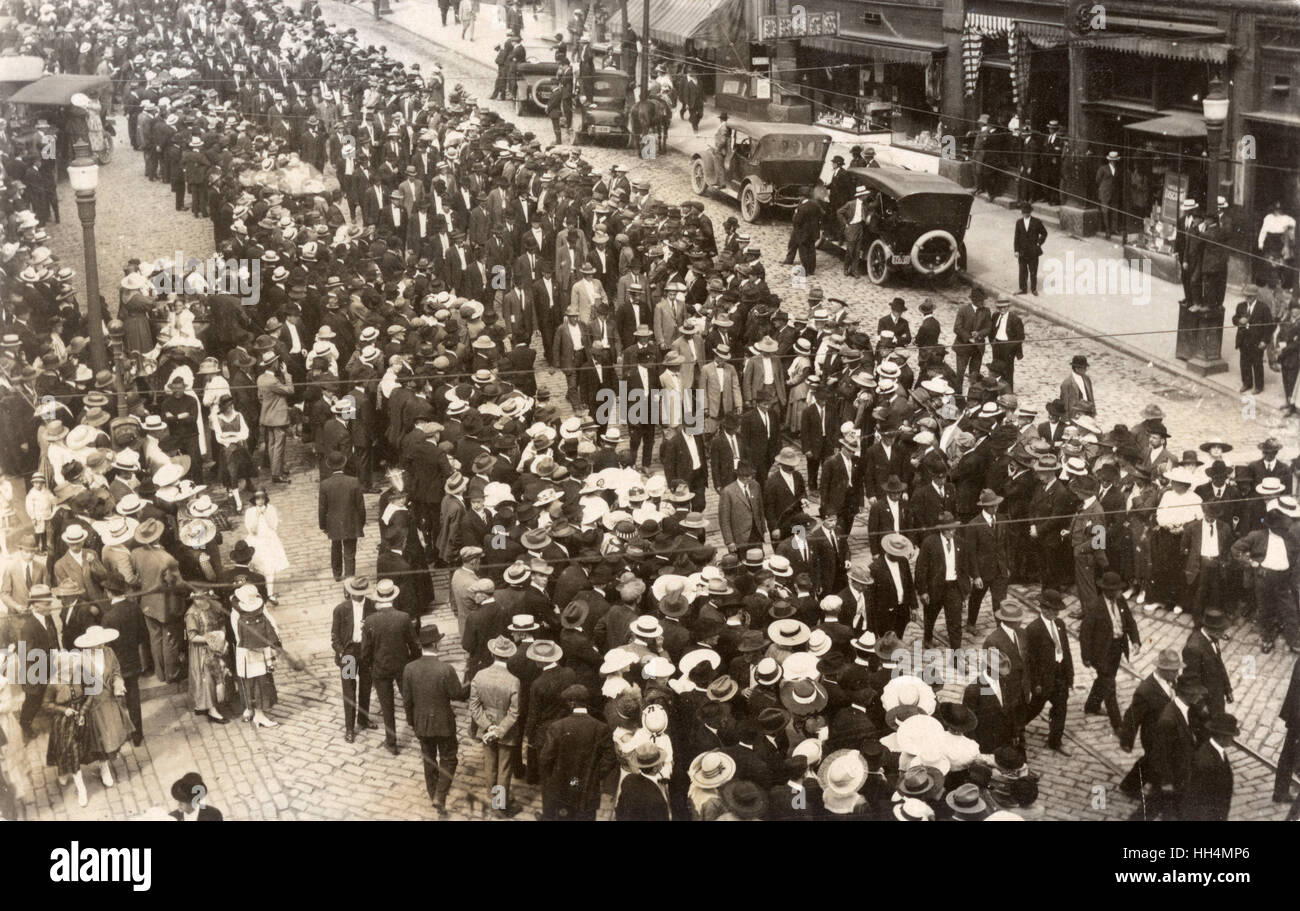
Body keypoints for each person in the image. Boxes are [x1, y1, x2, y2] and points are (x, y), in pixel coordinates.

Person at [402, 619, 468, 815]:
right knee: (449, 758)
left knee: (429, 760)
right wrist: (469, 685)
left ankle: (434, 797)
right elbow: (457, 694)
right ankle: (440, 795)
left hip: (421, 723)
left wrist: (411, 721)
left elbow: (407, 700)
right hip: (444, 723)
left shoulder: (409, 669)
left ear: (421, 645)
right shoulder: (445, 669)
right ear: (437, 644)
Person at [538, 684, 615, 820]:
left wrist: (555, 776)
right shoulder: (601, 728)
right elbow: (610, 758)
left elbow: (545, 758)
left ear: (571, 703)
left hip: (562, 789)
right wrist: (595, 775)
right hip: (588, 789)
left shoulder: (557, 727)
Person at [361, 579, 419, 755]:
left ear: (378, 598)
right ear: (393, 598)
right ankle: (415, 726)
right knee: (409, 698)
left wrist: (371, 665)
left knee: (387, 706)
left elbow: (365, 651)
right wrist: (412, 661)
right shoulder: (403, 617)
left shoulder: (370, 621)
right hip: (402, 666)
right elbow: (414, 644)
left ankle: (392, 742)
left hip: (380, 668)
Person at [1080, 572, 1140, 735]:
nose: (1119, 592)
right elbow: (1085, 634)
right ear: (1106, 591)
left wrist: (1135, 641)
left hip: (1117, 648)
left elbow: (1130, 622)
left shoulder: (1120, 601)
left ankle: (1091, 705)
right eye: (1115, 590)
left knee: (1105, 679)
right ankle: (1118, 724)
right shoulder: (1094, 606)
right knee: (1109, 686)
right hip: (1101, 652)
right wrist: (1085, 656)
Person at [469, 635, 521, 817]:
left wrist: (488, 727)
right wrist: (499, 730)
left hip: (486, 730)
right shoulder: (513, 680)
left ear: (492, 654)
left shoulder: (479, 676)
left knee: (489, 765)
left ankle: (494, 801)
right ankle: (499, 805)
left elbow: (474, 706)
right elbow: (514, 712)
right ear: (509, 656)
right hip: (506, 731)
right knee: (504, 769)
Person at [231, 585, 282, 729]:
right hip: (258, 653)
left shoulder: (235, 612)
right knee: (260, 682)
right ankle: (259, 715)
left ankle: (250, 710)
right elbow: (272, 624)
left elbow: (237, 635)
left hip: (246, 653)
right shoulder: (259, 609)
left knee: (249, 682)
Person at [319, 451, 366, 582]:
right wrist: (361, 522)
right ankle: (349, 581)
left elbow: (322, 508)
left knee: (335, 546)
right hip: (351, 521)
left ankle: (337, 573)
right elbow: (360, 506)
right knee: (350, 553)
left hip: (333, 522)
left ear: (329, 466)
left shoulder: (325, 484)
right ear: (343, 465)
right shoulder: (353, 482)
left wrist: (323, 525)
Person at [184, 594, 230, 725]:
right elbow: (192, 637)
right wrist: (212, 638)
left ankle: (206, 704)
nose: (199, 600)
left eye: (202, 596)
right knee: (207, 678)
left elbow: (222, 623)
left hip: (217, 646)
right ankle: (211, 709)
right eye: (196, 598)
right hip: (202, 650)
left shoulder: (213, 607)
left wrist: (221, 637)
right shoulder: (191, 614)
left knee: (220, 673)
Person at [244, 488, 289, 603]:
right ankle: (260, 591)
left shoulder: (271, 509)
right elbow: (252, 530)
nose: (260, 500)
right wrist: (257, 515)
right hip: (256, 542)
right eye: (257, 498)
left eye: (262, 498)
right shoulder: (250, 512)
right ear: (254, 500)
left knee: (270, 567)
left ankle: (270, 593)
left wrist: (265, 513)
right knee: (257, 567)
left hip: (269, 541)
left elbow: (273, 526)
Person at [1013, 202, 1047, 295]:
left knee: (1033, 271)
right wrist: (1016, 250)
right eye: (1023, 212)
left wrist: (1039, 243)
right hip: (1022, 251)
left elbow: (1044, 233)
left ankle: (1033, 289)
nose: (1025, 214)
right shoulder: (1019, 222)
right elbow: (1016, 237)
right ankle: (1022, 289)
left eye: (1027, 212)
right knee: (1022, 271)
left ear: (1030, 212)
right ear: (1021, 212)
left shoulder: (1036, 222)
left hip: (1033, 251)